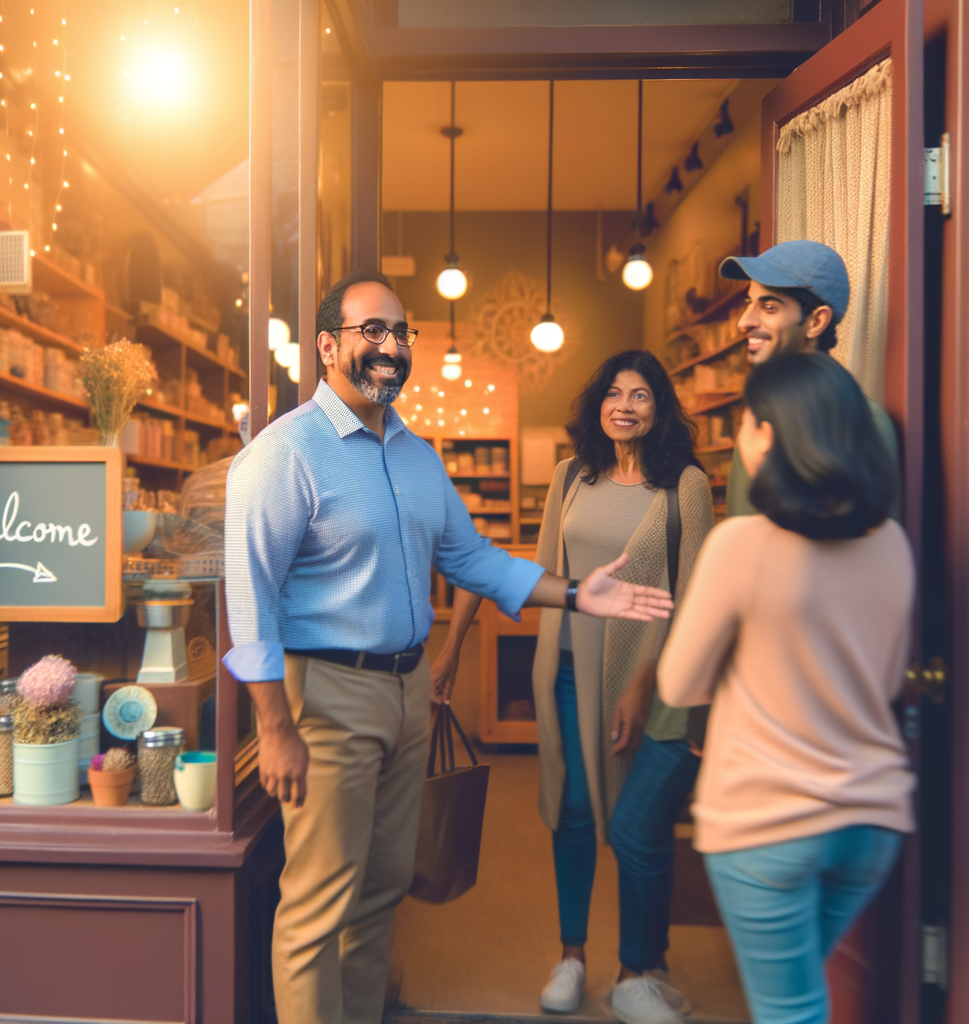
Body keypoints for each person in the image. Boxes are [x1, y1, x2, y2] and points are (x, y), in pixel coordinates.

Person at [224, 270, 676, 1024]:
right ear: (327, 345)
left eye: (401, 333)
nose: (390, 346)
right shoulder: (285, 453)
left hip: (407, 693)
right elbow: (249, 596)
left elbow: (471, 559)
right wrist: (273, 726)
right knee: (317, 903)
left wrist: (572, 591)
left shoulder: (414, 454)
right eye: (372, 329)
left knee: (381, 889)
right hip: (326, 693)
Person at [432, 351, 713, 1023]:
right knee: (574, 810)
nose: (624, 404)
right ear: (597, 405)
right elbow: (534, 568)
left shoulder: (686, 486)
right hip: (562, 665)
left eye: (640, 395)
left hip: (642, 675)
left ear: (660, 408)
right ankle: (572, 955)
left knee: (637, 825)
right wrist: (452, 646)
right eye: (613, 392)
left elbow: (698, 592)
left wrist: (644, 681)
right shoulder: (571, 475)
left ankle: (638, 970)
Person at [656, 352, 913, 1024]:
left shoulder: (744, 543)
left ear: (767, 435)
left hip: (766, 821)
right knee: (796, 997)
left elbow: (680, 682)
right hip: (870, 821)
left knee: (790, 1011)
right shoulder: (891, 543)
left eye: (743, 423)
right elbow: (883, 681)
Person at [720, 240, 900, 521]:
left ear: (816, 322)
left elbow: (876, 544)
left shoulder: (864, 419)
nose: (744, 321)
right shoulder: (758, 411)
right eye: (749, 303)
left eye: (768, 307)